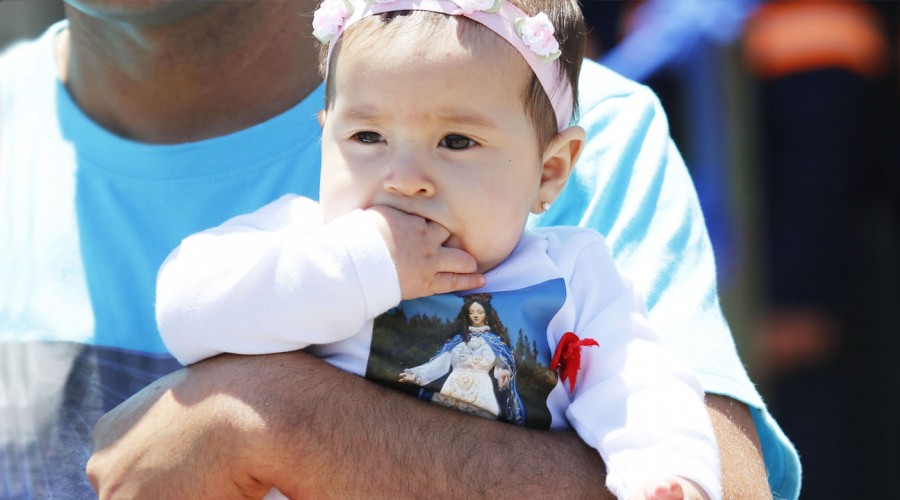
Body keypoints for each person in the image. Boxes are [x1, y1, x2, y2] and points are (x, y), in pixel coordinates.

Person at [0, 0, 798, 498]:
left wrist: (272, 419)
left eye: (456, 141)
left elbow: (636, 379)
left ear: (550, 171)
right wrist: (365, 263)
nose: (408, 177)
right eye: (368, 137)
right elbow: (190, 303)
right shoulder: (306, 232)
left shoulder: (571, 251)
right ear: (329, 134)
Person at [398, 294, 525, 425]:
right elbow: (438, 364)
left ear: (487, 314)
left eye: (479, 312)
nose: (475, 315)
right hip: (451, 389)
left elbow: (500, 362)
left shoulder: (494, 342)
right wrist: (415, 375)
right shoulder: (458, 340)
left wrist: (502, 373)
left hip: (481, 390)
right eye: (472, 312)